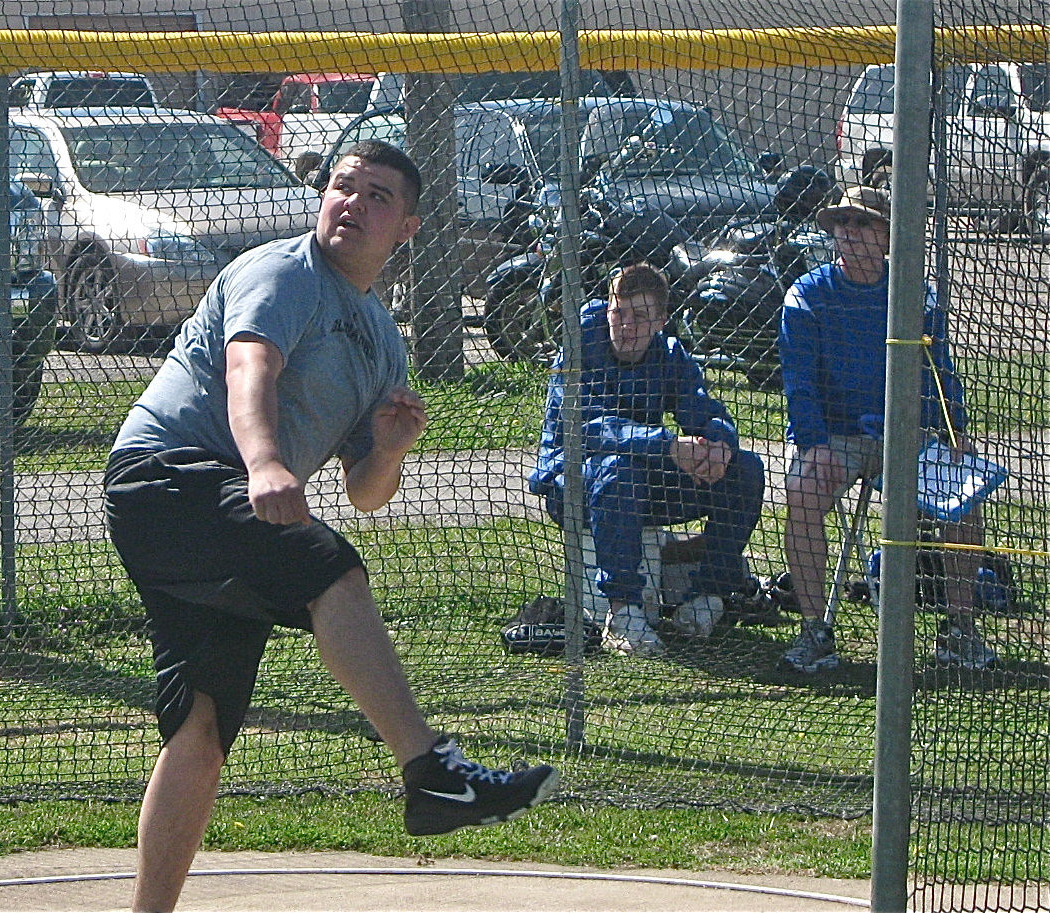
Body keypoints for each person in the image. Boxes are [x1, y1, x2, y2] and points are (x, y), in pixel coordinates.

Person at [103, 140, 559, 912]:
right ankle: (430, 772)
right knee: (332, 570)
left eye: (377, 196)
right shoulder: (284, 272)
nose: (352, 203)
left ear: (406, 228)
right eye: (343, 186)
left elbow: (365, 492)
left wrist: (387, 448)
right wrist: (266, 462)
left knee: (200, 734)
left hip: (223, 501)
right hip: (171, 475)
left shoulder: (381, 338)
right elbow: (251, 366)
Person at [777, 184, 997, 673]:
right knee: (803, 493)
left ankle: (959, 631)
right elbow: (799, 383)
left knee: (966, 505)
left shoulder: (913, 292)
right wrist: (813, 445)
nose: (849, 233)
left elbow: (938, 369)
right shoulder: (806, 296)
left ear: (887, 234)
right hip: (837, 438)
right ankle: (815, 629)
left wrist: (953, 428)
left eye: (862, 223)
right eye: (842, 223)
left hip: (909, 438)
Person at [528, 262, 766, 657]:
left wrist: (718, 444)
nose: (626, 325)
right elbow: (585, 425)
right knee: (617, 470)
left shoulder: (669, 354)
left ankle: (707, 596)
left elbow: (702, 409)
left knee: (745, 468)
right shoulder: (578, 345)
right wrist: (669, 445)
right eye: (618, 312)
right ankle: (623, 613)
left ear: (661, 321)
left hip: (645, 480)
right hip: (573, 484)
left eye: (640, 316)